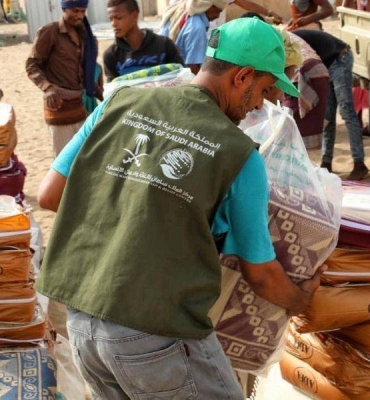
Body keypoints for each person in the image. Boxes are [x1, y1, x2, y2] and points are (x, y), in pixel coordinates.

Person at [35, 17, 322, 399]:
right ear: (242, 76)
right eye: (264, 89)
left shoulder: (120, 103)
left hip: (83, 322)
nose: (259, 105)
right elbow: (263, 276)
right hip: (155, 332)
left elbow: (50, 194)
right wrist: (307, 304)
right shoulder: (238, 155)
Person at [292, 29, 369, 180]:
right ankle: (326, 162)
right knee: (327, 115)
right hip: (325, 64)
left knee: (347, 111)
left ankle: (359, 163)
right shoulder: (285, 39)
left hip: (339, 58)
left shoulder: (287, 41)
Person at [26, 0, 100, 156]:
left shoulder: (83, 35)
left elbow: (81, 68)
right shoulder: (50, 32)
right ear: (64, 9)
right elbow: (32, 64)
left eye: (82, 11)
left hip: (78, 107)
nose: (79, 16)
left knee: (83, 158)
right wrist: (47, 88)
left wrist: (94, 87)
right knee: (63, 161)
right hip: (58, 109)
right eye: (75, 11)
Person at [104, 0, 184, 81]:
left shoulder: (164, 45)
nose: (113, 24)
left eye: (118, 18)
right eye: (111, 19)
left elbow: (181, 76)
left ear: (134, 16)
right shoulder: (112, 55)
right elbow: (113, 89)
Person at [160, 0, 227, 74]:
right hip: (180, 76)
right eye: (218, 12)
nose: (217, 16)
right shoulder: (197, 28)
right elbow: (193, 67)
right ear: (209, 7)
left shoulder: (180, 12)